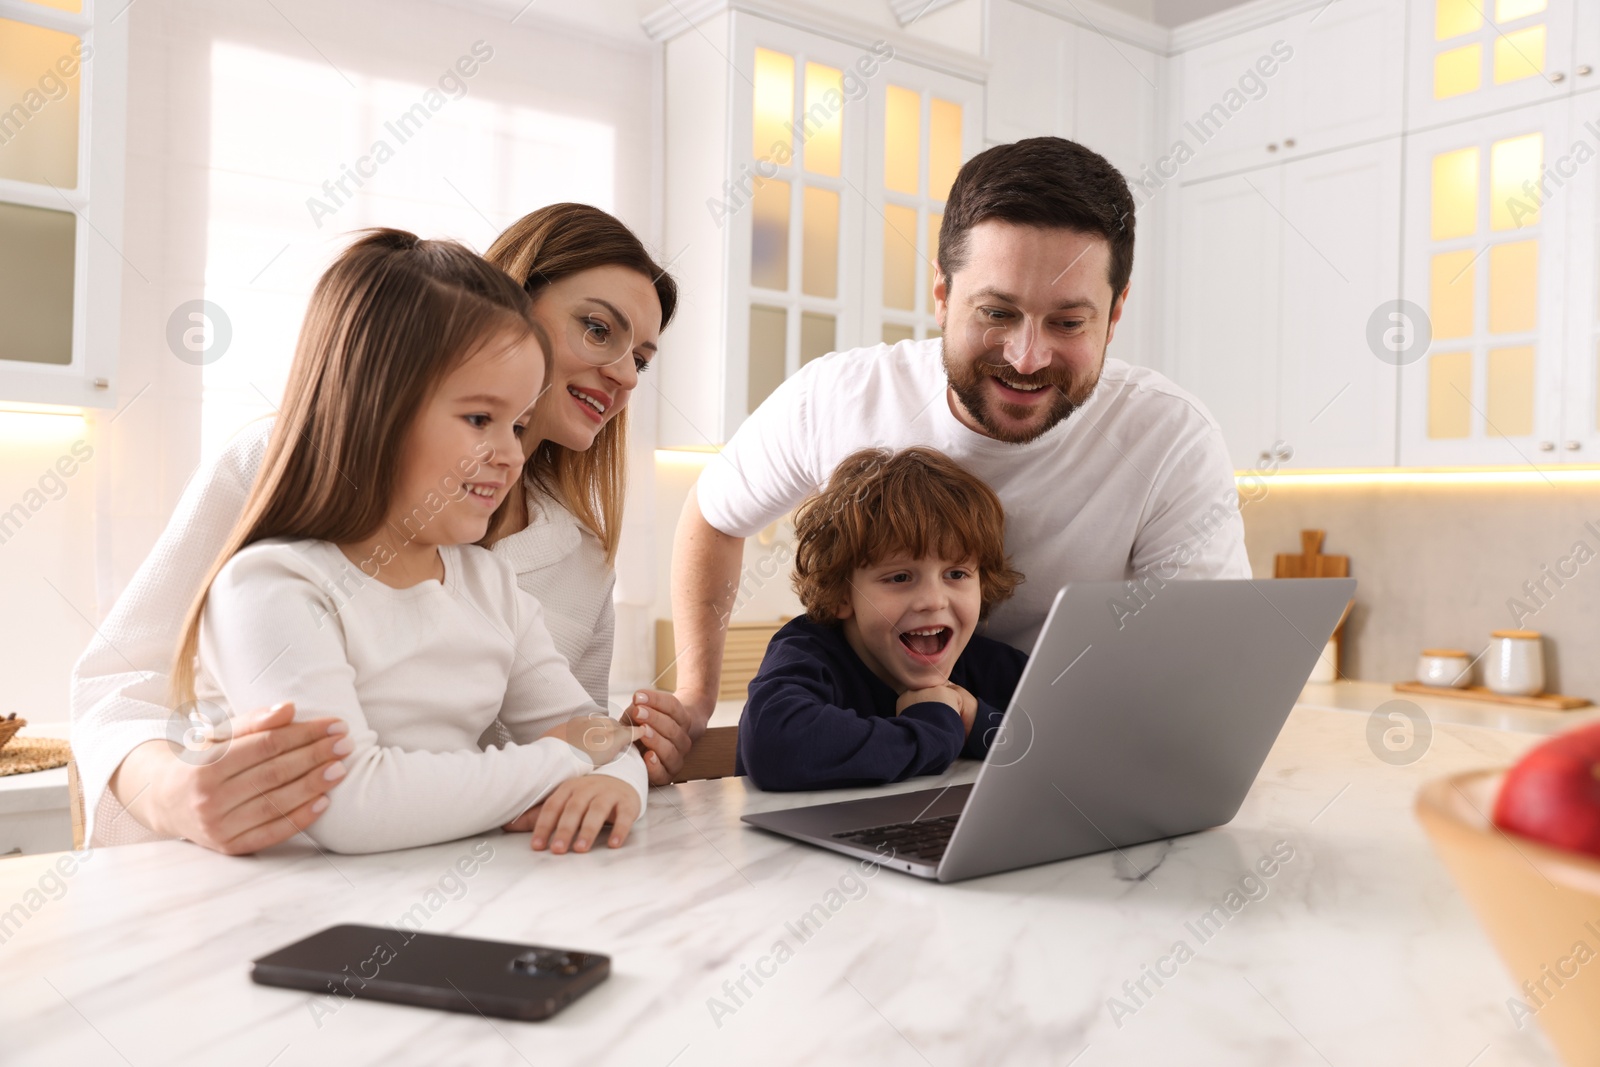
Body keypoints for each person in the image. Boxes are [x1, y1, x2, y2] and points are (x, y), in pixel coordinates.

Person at [71, 204, 693, 854]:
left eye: (642, 360)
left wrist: (627, 765)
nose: (624, 374)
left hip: (451, 878)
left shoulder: (571, 561)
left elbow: (583, 735)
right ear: (512, 300)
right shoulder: (277, 478)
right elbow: (118, 685)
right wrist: (174, 793)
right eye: (598, 329)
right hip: (245, 874)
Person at [669, 136, 1250, 737]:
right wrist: (694, 697)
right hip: (865, 764)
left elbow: (1197, 681)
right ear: (943, 296)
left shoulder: (1170, 438)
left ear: (1115, 312)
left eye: (1069, 322)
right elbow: (714, 517)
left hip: (1053, 755)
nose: (1027, 359)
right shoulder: (837, 397)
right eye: (997, 313)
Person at [737, 448, 1028, 790]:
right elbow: (774, 745)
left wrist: (971, 718)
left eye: (956, 573)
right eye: (900, 578)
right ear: (842, 594)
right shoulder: (807, 653)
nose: (934, 601)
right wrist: (935, 726)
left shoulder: (983, 662)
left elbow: (1071, 736)